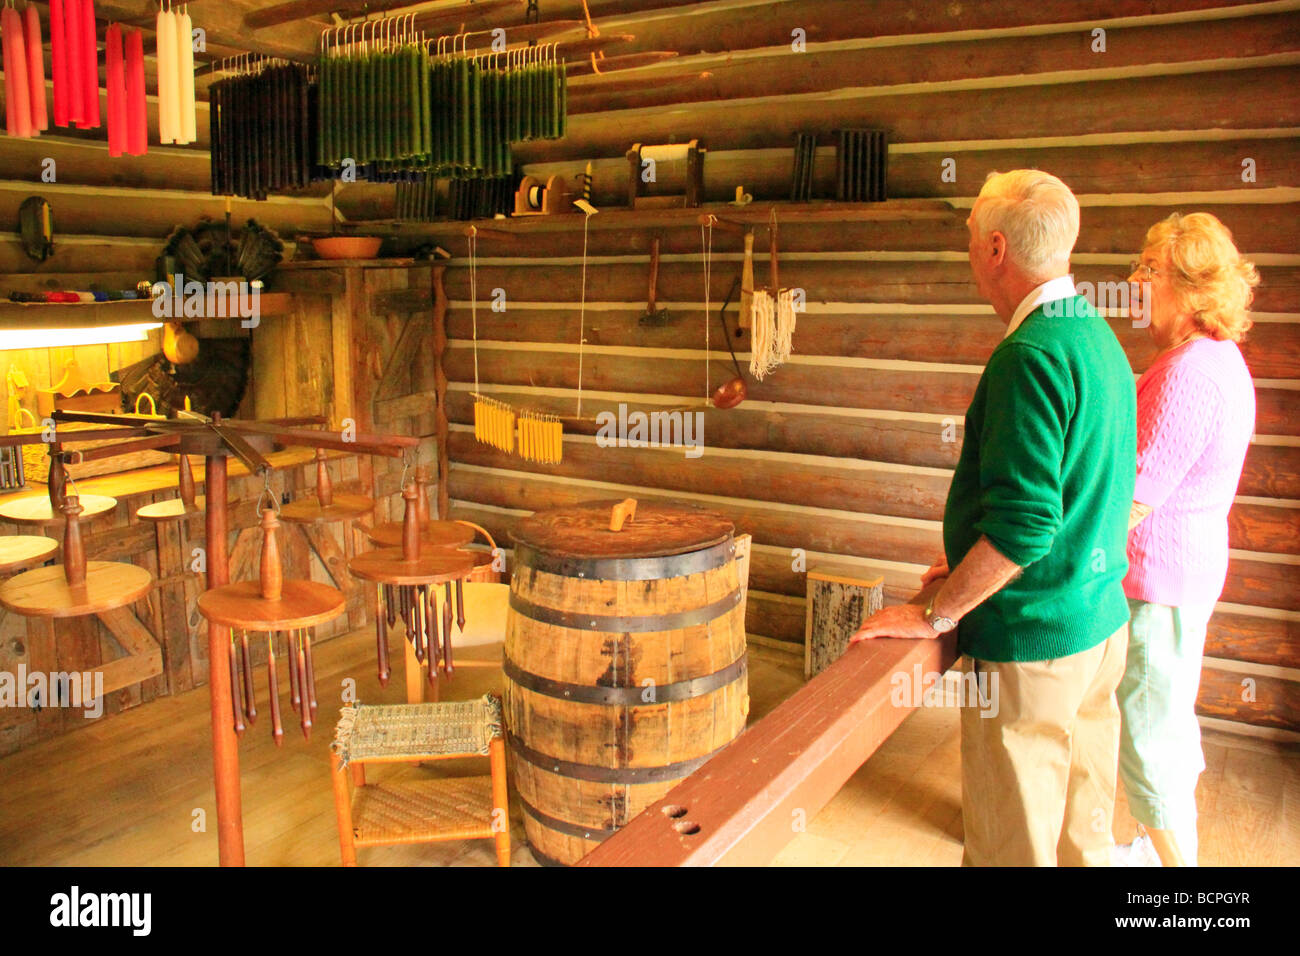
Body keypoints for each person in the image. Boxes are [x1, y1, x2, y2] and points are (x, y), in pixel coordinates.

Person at [851, 169, 1137, 866]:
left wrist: (936, 613)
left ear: (998, 251)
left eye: (971, 234)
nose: (969, 246)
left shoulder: (1029, 356)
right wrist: (974, 557)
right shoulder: (1093, 332)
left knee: (1015, 850)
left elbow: (1026, 526)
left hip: (1036, 644)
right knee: (1081, 843)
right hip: (1098, 628)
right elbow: (1083, 488)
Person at [1113, 213, 1258, 867]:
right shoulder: (1212, 360)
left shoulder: (1191, 373)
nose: (1134, 280)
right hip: (1181, 577)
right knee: (1165, 720)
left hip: (1158, 582)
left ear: (1192, 287)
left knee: (1148, 735)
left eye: (1149, 270)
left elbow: (1135, 499)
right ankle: (1154, 850)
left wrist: (1054, 559)